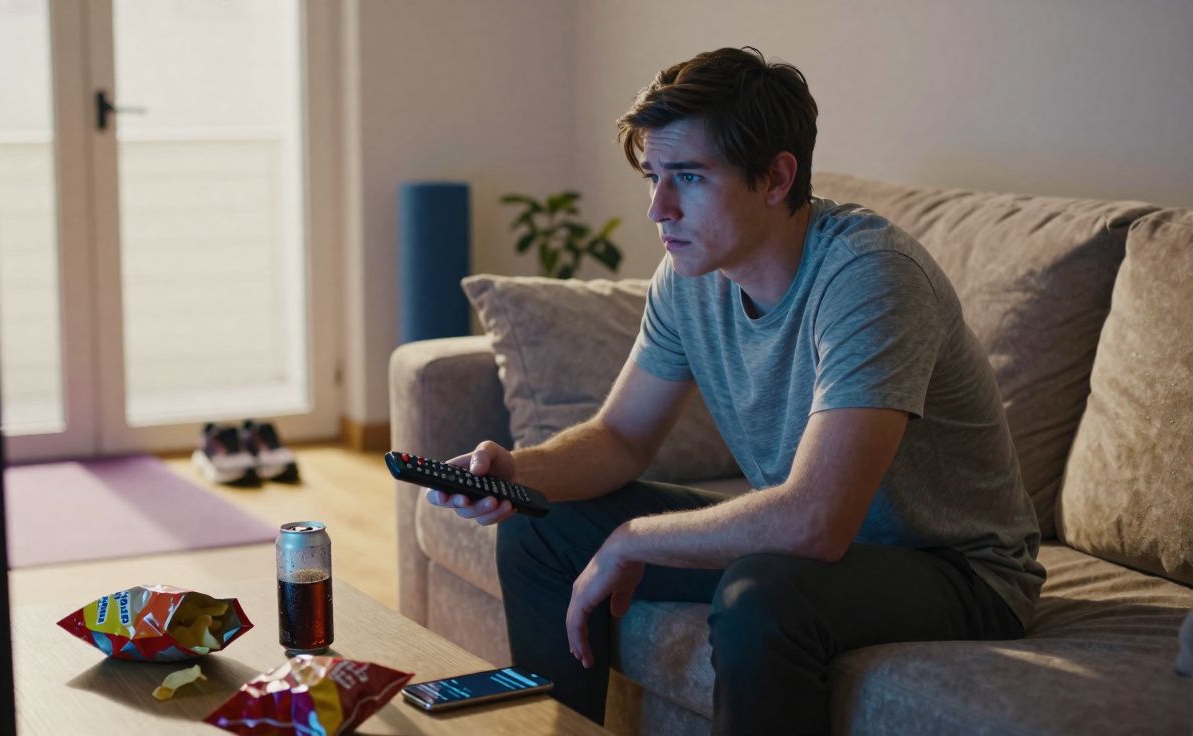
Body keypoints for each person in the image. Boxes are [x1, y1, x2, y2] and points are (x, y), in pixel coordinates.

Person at [420, 46, 1044, 734]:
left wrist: (633, 539)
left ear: (776, 177)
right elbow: (621, 438)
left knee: (762, 595)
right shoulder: (690, 278)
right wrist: (515, 472)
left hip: (957, 570)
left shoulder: (871, 277)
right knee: (539, 525)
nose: (659, 208)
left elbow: (815, 522)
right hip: (809, 550)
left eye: (688, 177)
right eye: (654, 177)